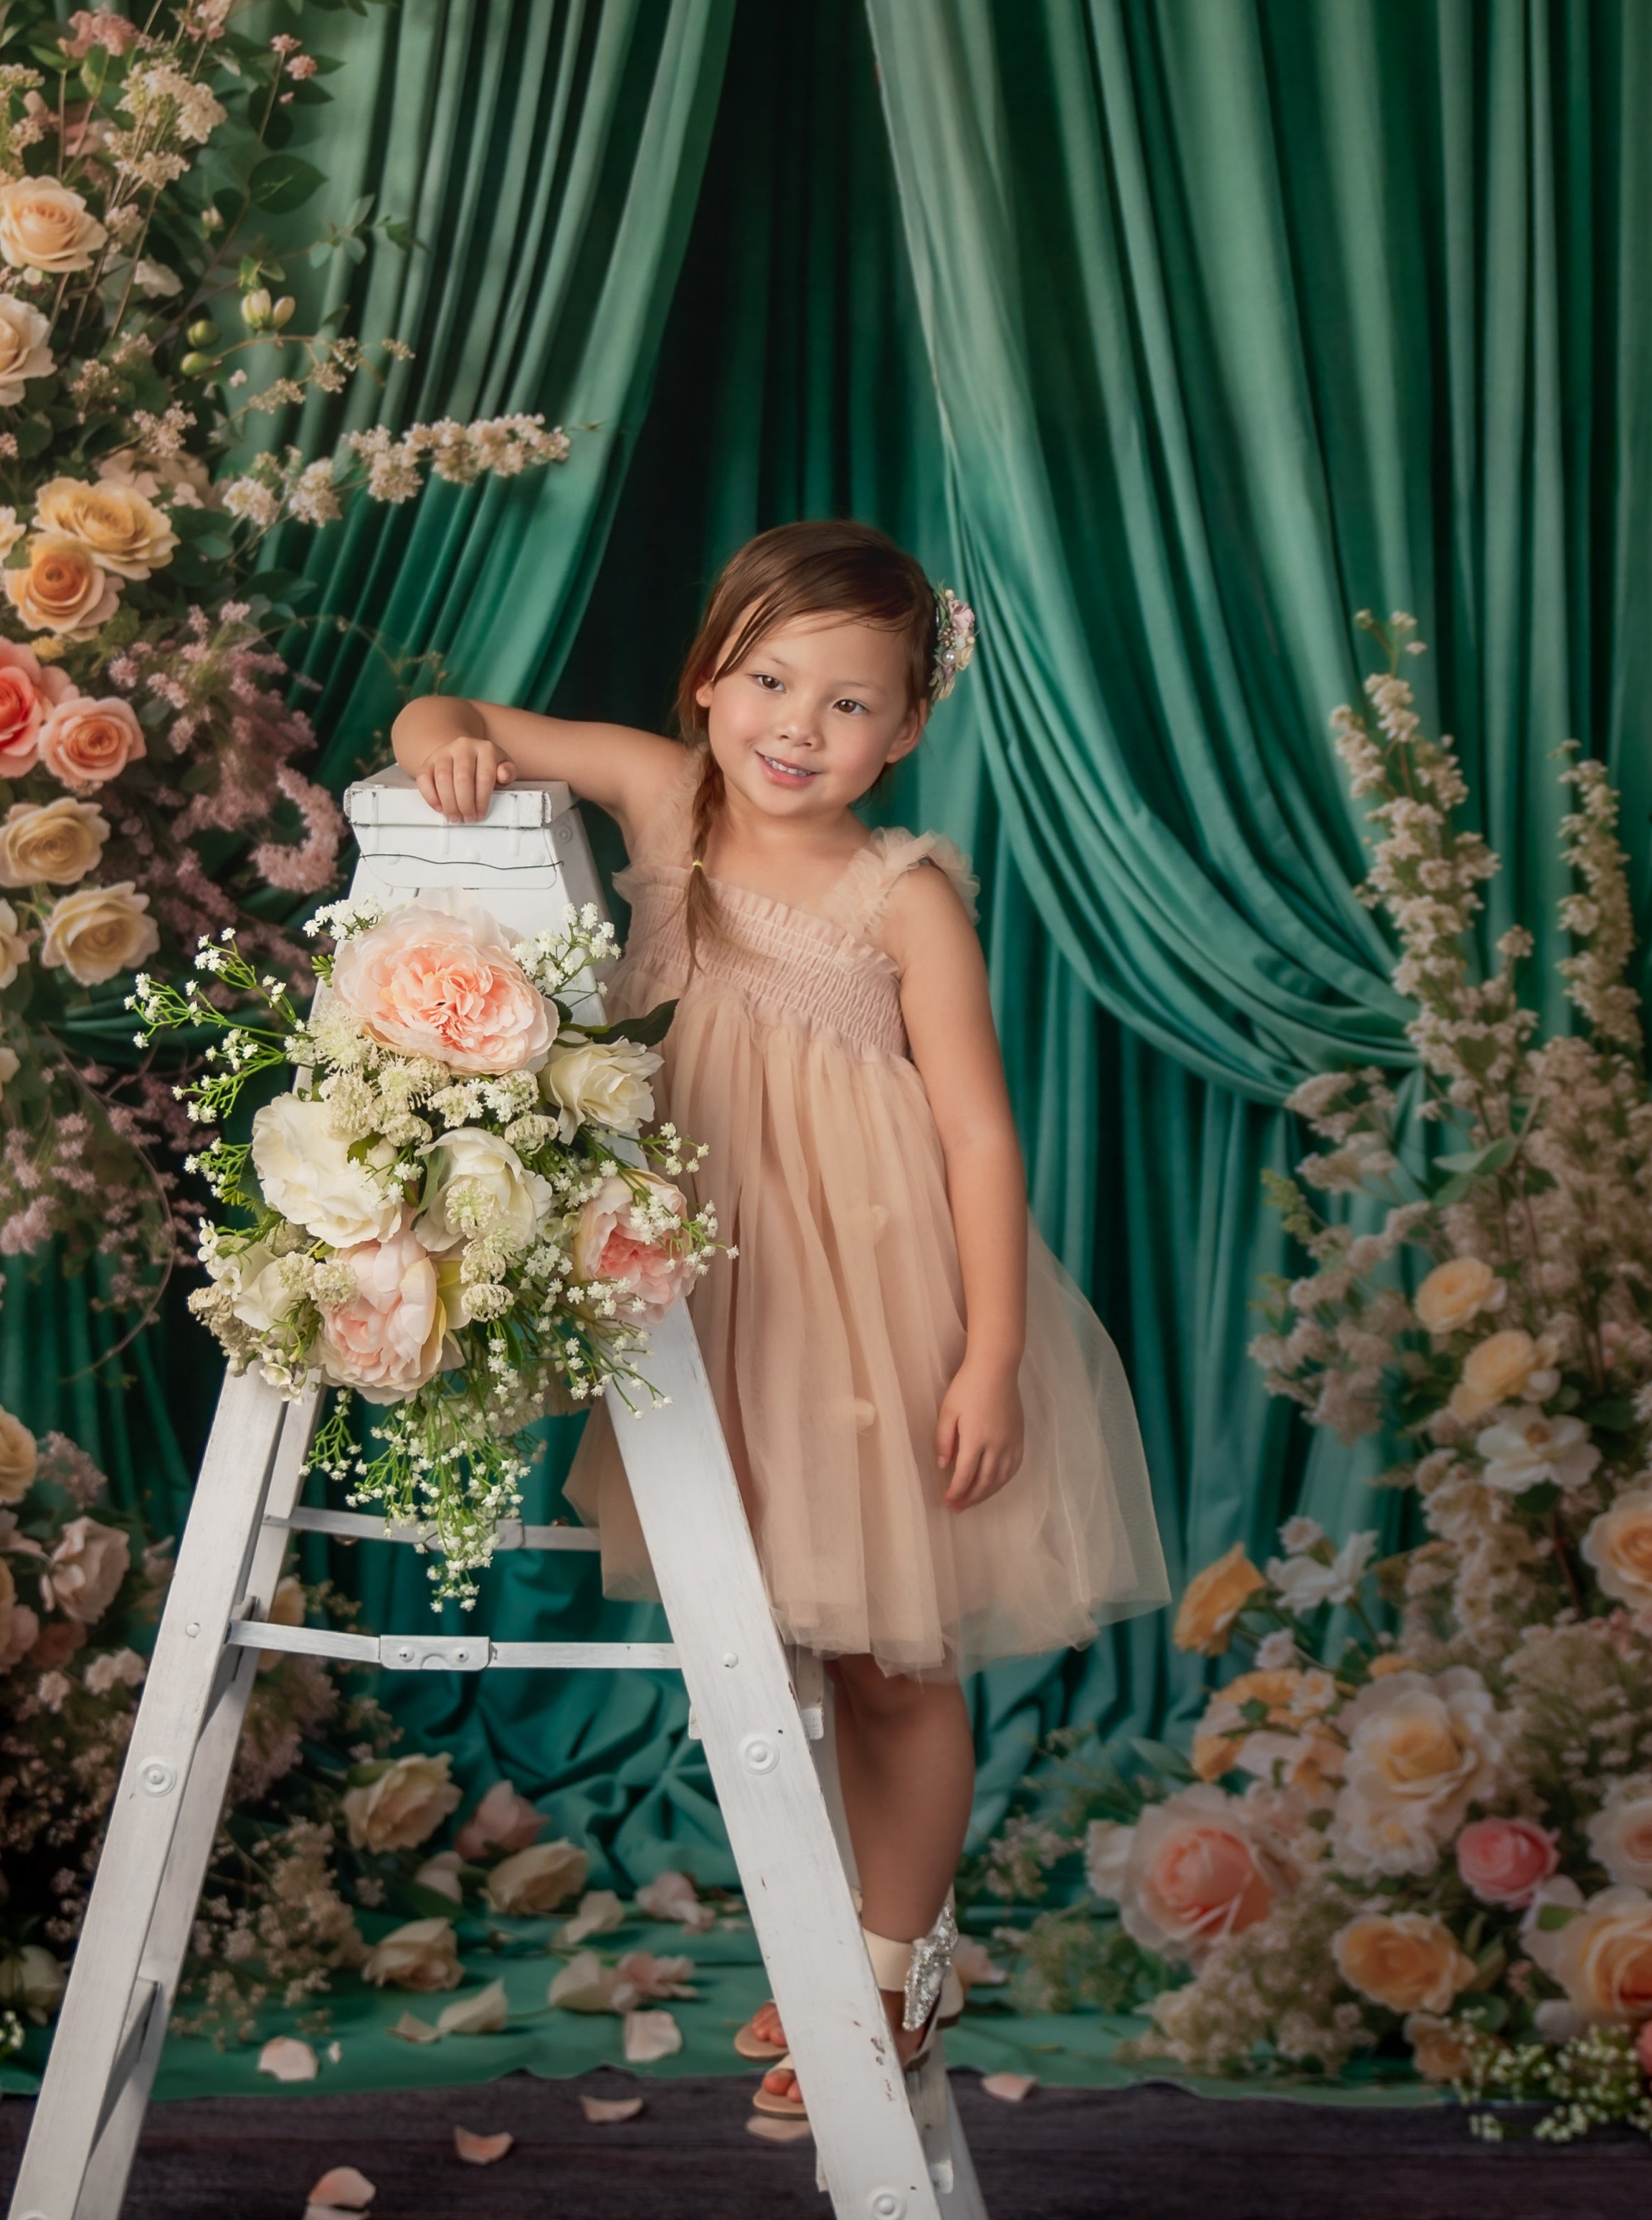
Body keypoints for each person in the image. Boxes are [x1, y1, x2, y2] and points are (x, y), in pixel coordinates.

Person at [389, 519, 1169, 2115]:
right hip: (705, 1306)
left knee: (892, 1657)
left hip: (871, 1314)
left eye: (850, 704)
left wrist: (996, 1355)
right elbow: (446, 716)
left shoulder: (903, 896)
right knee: (780, 1647)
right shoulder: (661, 795)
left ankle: (891, 1973)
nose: (797, 730)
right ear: (708, 678)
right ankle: (846, 1942)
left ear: (910, 727)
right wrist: (444, 749)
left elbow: (976, 1136)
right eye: (769, 680)